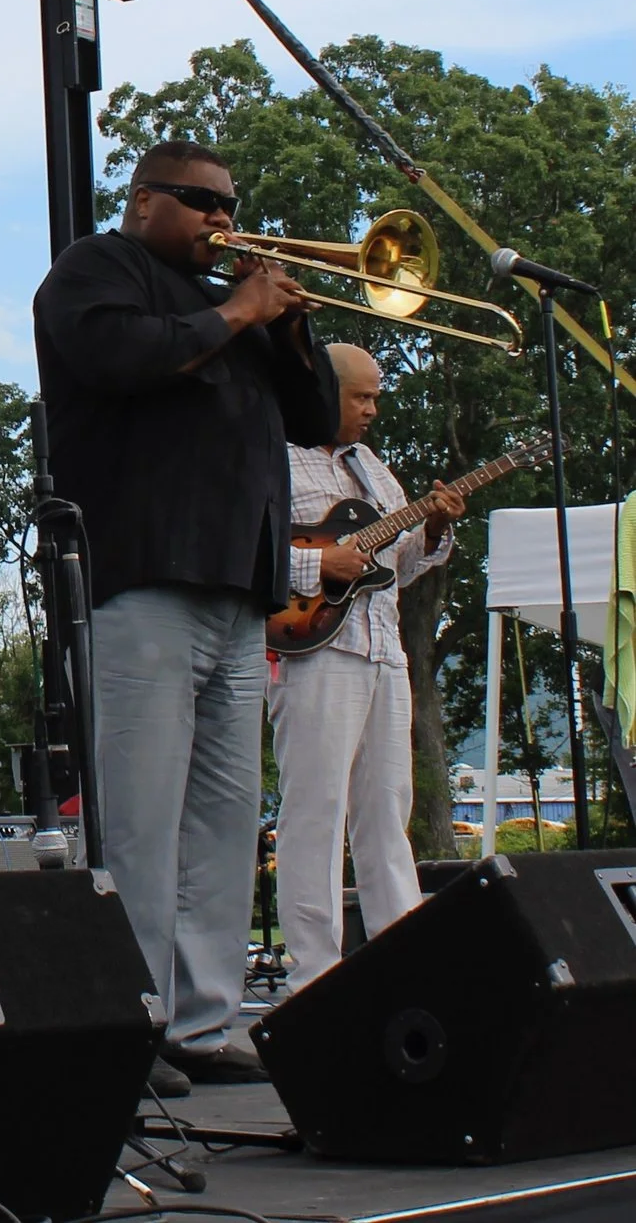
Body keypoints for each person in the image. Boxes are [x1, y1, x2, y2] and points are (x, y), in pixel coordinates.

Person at [33, 140, 339, 1095]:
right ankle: (135, 1020)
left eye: (228, 202)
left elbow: (320, 418)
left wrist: (286, 331)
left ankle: (207, 1021)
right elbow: (118, 358)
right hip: (145, 578)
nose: (220, 218)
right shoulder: (98, 271)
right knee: (140, 817)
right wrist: (239, 308)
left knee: (223, 817)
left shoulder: (238, 314)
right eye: (202, 202)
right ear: (144, 202)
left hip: (237, 590)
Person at [270, 343, 464, 992]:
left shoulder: (374, 470)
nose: (374, 409)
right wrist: (316, 565)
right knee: (316, 814)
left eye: (377, 396)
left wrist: (432, 533)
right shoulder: (276, 456)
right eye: (363, 397)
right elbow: (249, 545)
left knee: (387, 814)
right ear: (325, 391)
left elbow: (399, 565)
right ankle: (317, 981)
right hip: (319, 653)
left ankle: (406, 970)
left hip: (384, 654)